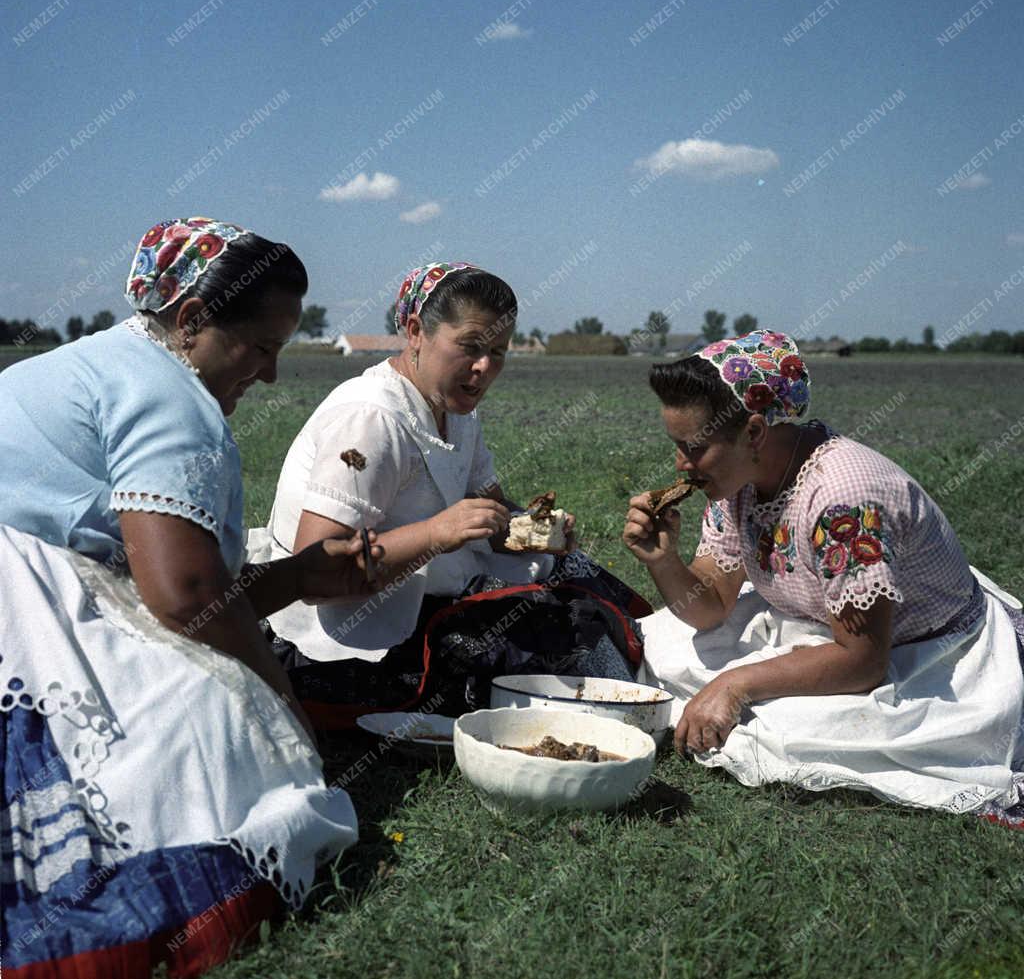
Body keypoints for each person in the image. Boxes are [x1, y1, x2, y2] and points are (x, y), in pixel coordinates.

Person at [0, 217, 380, 977]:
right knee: (208, 727)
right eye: (262, 348)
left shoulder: (106, 360)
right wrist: (283, 706)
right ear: (193, 320)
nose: (270, 374)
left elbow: (171, 584)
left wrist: (299, 577)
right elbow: (184, 595)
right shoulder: (166, 389)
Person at [625, 329, 1024, 822]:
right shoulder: (735, 483)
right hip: (813, 624)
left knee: (787, 730)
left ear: (753, 432)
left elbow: (863, 660)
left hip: (922, 652)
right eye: (677, 447)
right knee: (658, 642)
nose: (681, 465)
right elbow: (710, 610)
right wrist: (663, 560)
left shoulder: (842, 499)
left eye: (694, 449)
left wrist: (735, 684)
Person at [250, 262, 648, 726]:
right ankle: (623, 706)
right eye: (471, 347)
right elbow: (315, 574)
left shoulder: (456, 413)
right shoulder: (370, 421)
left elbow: (493, 514)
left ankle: (635, 687)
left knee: (573, 573)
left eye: (499, 352)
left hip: (417, 598)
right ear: (416, 332)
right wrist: (437, 533)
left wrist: (537, 531)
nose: (484, 368)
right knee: (542, 632)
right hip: (353, 635)